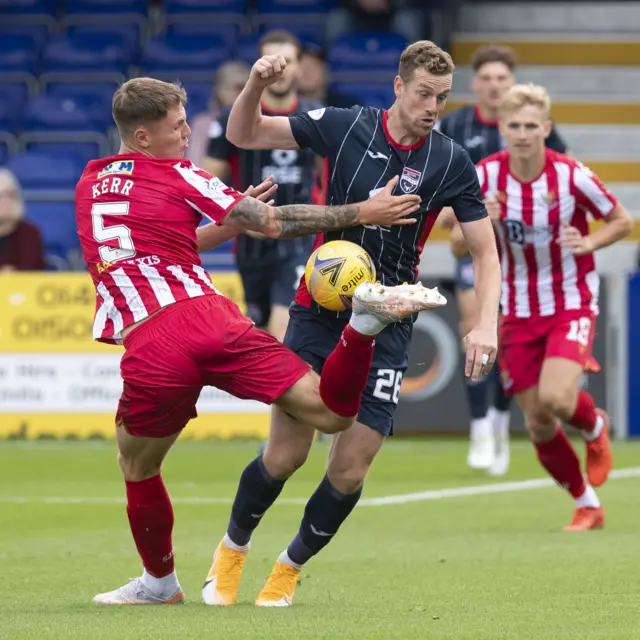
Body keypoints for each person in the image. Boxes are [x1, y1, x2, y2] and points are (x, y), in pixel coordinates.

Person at [78, 76, 445, 605]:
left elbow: (157, 247)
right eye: (177, 127)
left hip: (153, 338)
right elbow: (274, 222)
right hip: (211, 319)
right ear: (141, 137)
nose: (188, 136)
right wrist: (360, 212)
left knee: (137, 466)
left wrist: (229, 224)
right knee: (333, 413)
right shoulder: (181, 174)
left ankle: (159, 584)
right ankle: (363, 327)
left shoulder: (90, 184)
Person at [202, 40, 501, 608]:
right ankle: (231, 551)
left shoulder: (451, 160)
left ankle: (286, 571)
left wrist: (484, 323)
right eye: (422, 94)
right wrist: (255, 86)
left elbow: (485, 253)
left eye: (441, 96)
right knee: (287, 453)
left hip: (390, 319)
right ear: (398, 86)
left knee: (351, 466)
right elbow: (245, 135)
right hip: (320, 309)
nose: (432, 106)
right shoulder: (344, 125)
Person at [450, 83, 632, 531]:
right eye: (515, 125)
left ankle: (593, 428)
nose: (524, 133)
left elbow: (622, 220)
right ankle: (587, 503)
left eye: (533, 125)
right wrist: (483, 222)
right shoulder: (485, 177)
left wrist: (588, 240)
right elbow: (456, 246)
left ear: (546, 129)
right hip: (515, 308)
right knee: (537, 422)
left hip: (570, 301)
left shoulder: (571, 175)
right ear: (503, 129)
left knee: (555, 397)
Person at [437, 45, 569, 475]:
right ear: (475, 84)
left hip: (524, 255)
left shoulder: (540, 132)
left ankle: (497, 424)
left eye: (502, 79)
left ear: (512, 85)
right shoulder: (454, 127)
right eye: (487, 79)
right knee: (474, 328)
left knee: (508, 344)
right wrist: (475, 214)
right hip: (474, 247)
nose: (494, 86)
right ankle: (480, 430)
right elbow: (439, 210)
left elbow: (565, 191)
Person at [204, 31, 321, 341]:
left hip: (298, 237)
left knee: (286, 328)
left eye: (288, 63)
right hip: (251, 244)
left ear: (299, 67)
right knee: (261, 330)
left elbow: (330, 176)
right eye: (273, 62)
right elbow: (206, 182)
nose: (280, 71)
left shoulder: (317, 116)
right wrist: (240, 215)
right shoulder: (234, 117)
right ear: (259, 65)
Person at [187, 61, 250, 167]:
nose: (240, 94)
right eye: (236, 88)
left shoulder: (258, 122)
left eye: (245, 88)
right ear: (220, 90)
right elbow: (195, 164)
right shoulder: (202, 124)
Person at [0, 168, 46, 272]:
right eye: (0, 196)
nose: (5, 201)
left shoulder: (30, 233)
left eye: (10, 195)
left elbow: (33, 272)